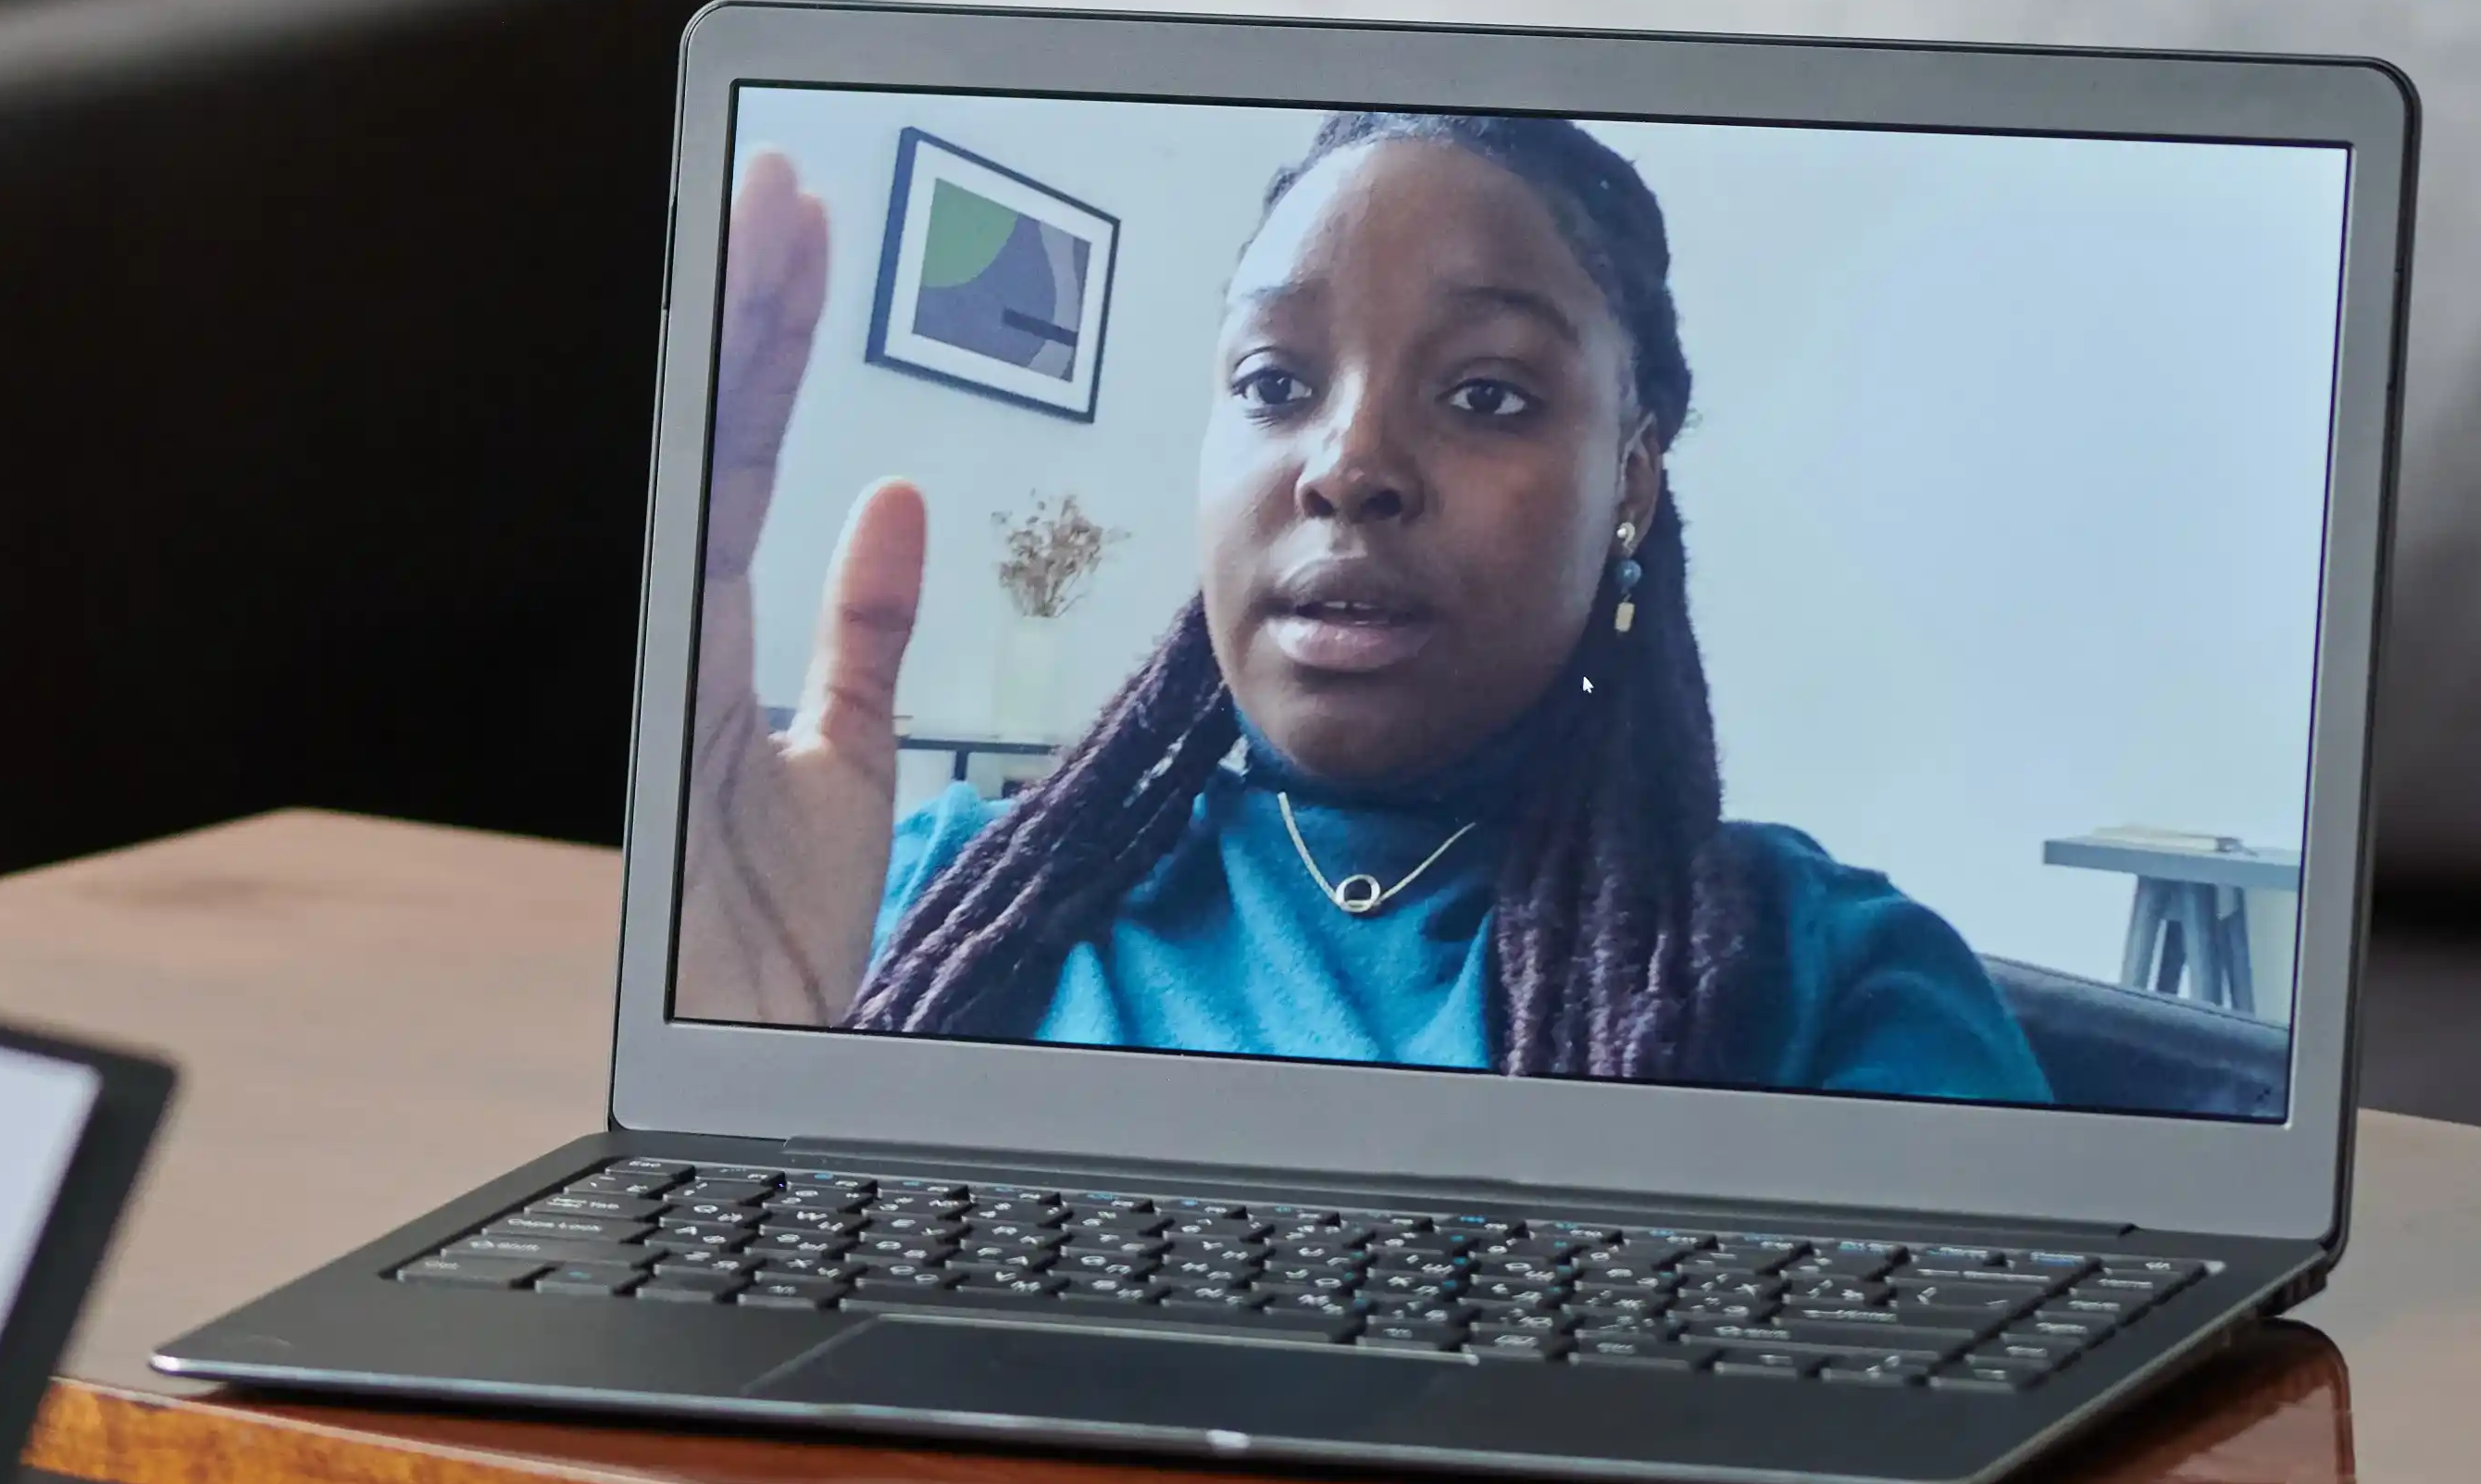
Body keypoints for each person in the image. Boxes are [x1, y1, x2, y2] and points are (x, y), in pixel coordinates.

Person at [676, 107, 2046, 1099]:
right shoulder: (923, 899)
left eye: (1487, 393)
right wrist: (727, 1095)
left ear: (1630, 480)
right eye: (1275, 385)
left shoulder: (1834, 996)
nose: (1347, 466)